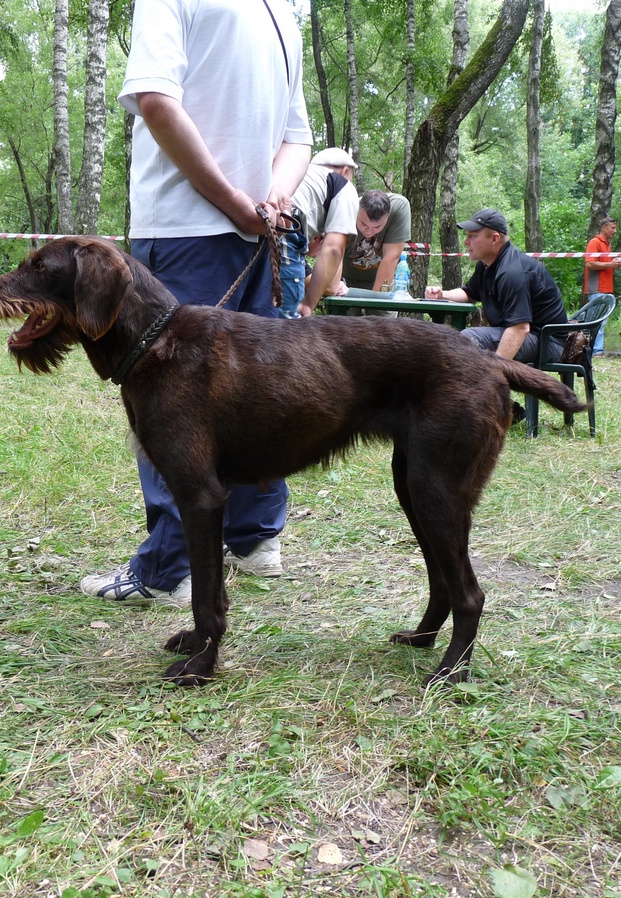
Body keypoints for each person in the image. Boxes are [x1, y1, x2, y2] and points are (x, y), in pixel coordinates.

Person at [79, 0, 312, 606]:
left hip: (186, 227)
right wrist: (269, 201)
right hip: (258, 230)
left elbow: (156, 100)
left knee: (169, 404)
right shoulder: (283, 14)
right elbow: (297, 138)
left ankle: (170, 567)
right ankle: (256, 539)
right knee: (260, 390)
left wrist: (240, 204)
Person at [423, 208, 568, 362]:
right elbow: (469, 293)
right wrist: (442, 294)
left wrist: (495, 370)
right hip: (524, 334)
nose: (466, 242)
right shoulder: (486, 265)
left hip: (548, 342)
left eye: (473, 236)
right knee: (459, 338)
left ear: (494, 238)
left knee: (469, 338)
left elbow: (520, 329)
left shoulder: (512, 272)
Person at [281, 147, 359, 318]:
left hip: (255, 220)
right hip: (285, 226)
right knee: (285, 324)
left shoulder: (294, 174)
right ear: (345, 171)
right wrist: (309, 304)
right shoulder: (343, 185)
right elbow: (333, 249)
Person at [334, 190, 412, 315]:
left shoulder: (399, 207)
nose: (369, 232)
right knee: (342, 322)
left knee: (381, 322)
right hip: (346, 279)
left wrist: (376, 302)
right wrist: (336, 285)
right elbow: (335, 254)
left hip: (382, 279)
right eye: (364, 224)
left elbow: (391, 257)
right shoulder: (344, 210)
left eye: (377, 227)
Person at [583, 216, 621, 357]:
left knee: (601, 321)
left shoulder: (607, 244)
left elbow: (606, 264)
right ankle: (596, 351)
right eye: (612, 228)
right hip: (597, 288)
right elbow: (589, 263)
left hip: (606, 288)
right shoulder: (594, 242)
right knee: (597, 322)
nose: (615, 231)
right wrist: (610, 264)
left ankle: (594, 349)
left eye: (615, 228)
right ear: (603, 227)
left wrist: (616, 262)